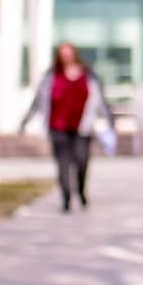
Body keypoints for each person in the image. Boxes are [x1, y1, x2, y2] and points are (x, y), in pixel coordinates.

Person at [21, 43, 115, 212]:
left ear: (74, 55)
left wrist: (110, 121)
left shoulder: (88, 76)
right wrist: (25, 120)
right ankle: (66, 199)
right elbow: (38, 101)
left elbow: (100, 100)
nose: (65, 57)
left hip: (82, 128)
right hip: (58, 127)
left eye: (68, 54)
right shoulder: (51, 76)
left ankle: (80, 191)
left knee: (82, 162)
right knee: (63, 165)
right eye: (62, 54)